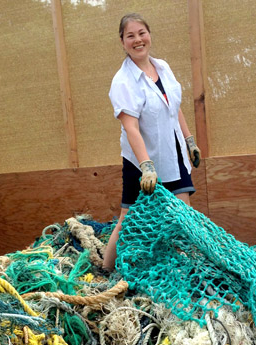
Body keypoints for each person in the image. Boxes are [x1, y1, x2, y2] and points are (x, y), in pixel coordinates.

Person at [102, 13, 201, 270]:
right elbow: (130, 127)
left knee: (184, 218)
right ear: (122, 42)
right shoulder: (122, 81)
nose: (137, 40)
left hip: (172, 153)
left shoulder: (163, 67)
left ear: (149, 35)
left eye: (141, 33)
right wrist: (146, 165)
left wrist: (189, 141)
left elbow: (173, 107)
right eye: (130, 36)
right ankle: (105, 270)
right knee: (127, 220)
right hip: (141, 162)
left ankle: (187, 271)